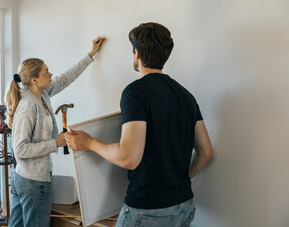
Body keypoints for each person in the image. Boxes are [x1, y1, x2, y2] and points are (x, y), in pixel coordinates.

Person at [65, 23, 213, 227]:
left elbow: (128, 158)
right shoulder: (186, 96)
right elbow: (206, 153)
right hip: (184, 205)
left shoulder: (135, 93)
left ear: (136, 53)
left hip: (147, 210)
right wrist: (178, 180)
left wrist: (89, 143)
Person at [5, 36, 106, 227]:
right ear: (34, 79)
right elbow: (20, 150)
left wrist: (91, 54)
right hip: (32, 182)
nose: (51, 74)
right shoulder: (27, 106)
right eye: (46, 72)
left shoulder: (42, 94)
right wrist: (56, 143)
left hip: (29, 179)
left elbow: (67, 77)